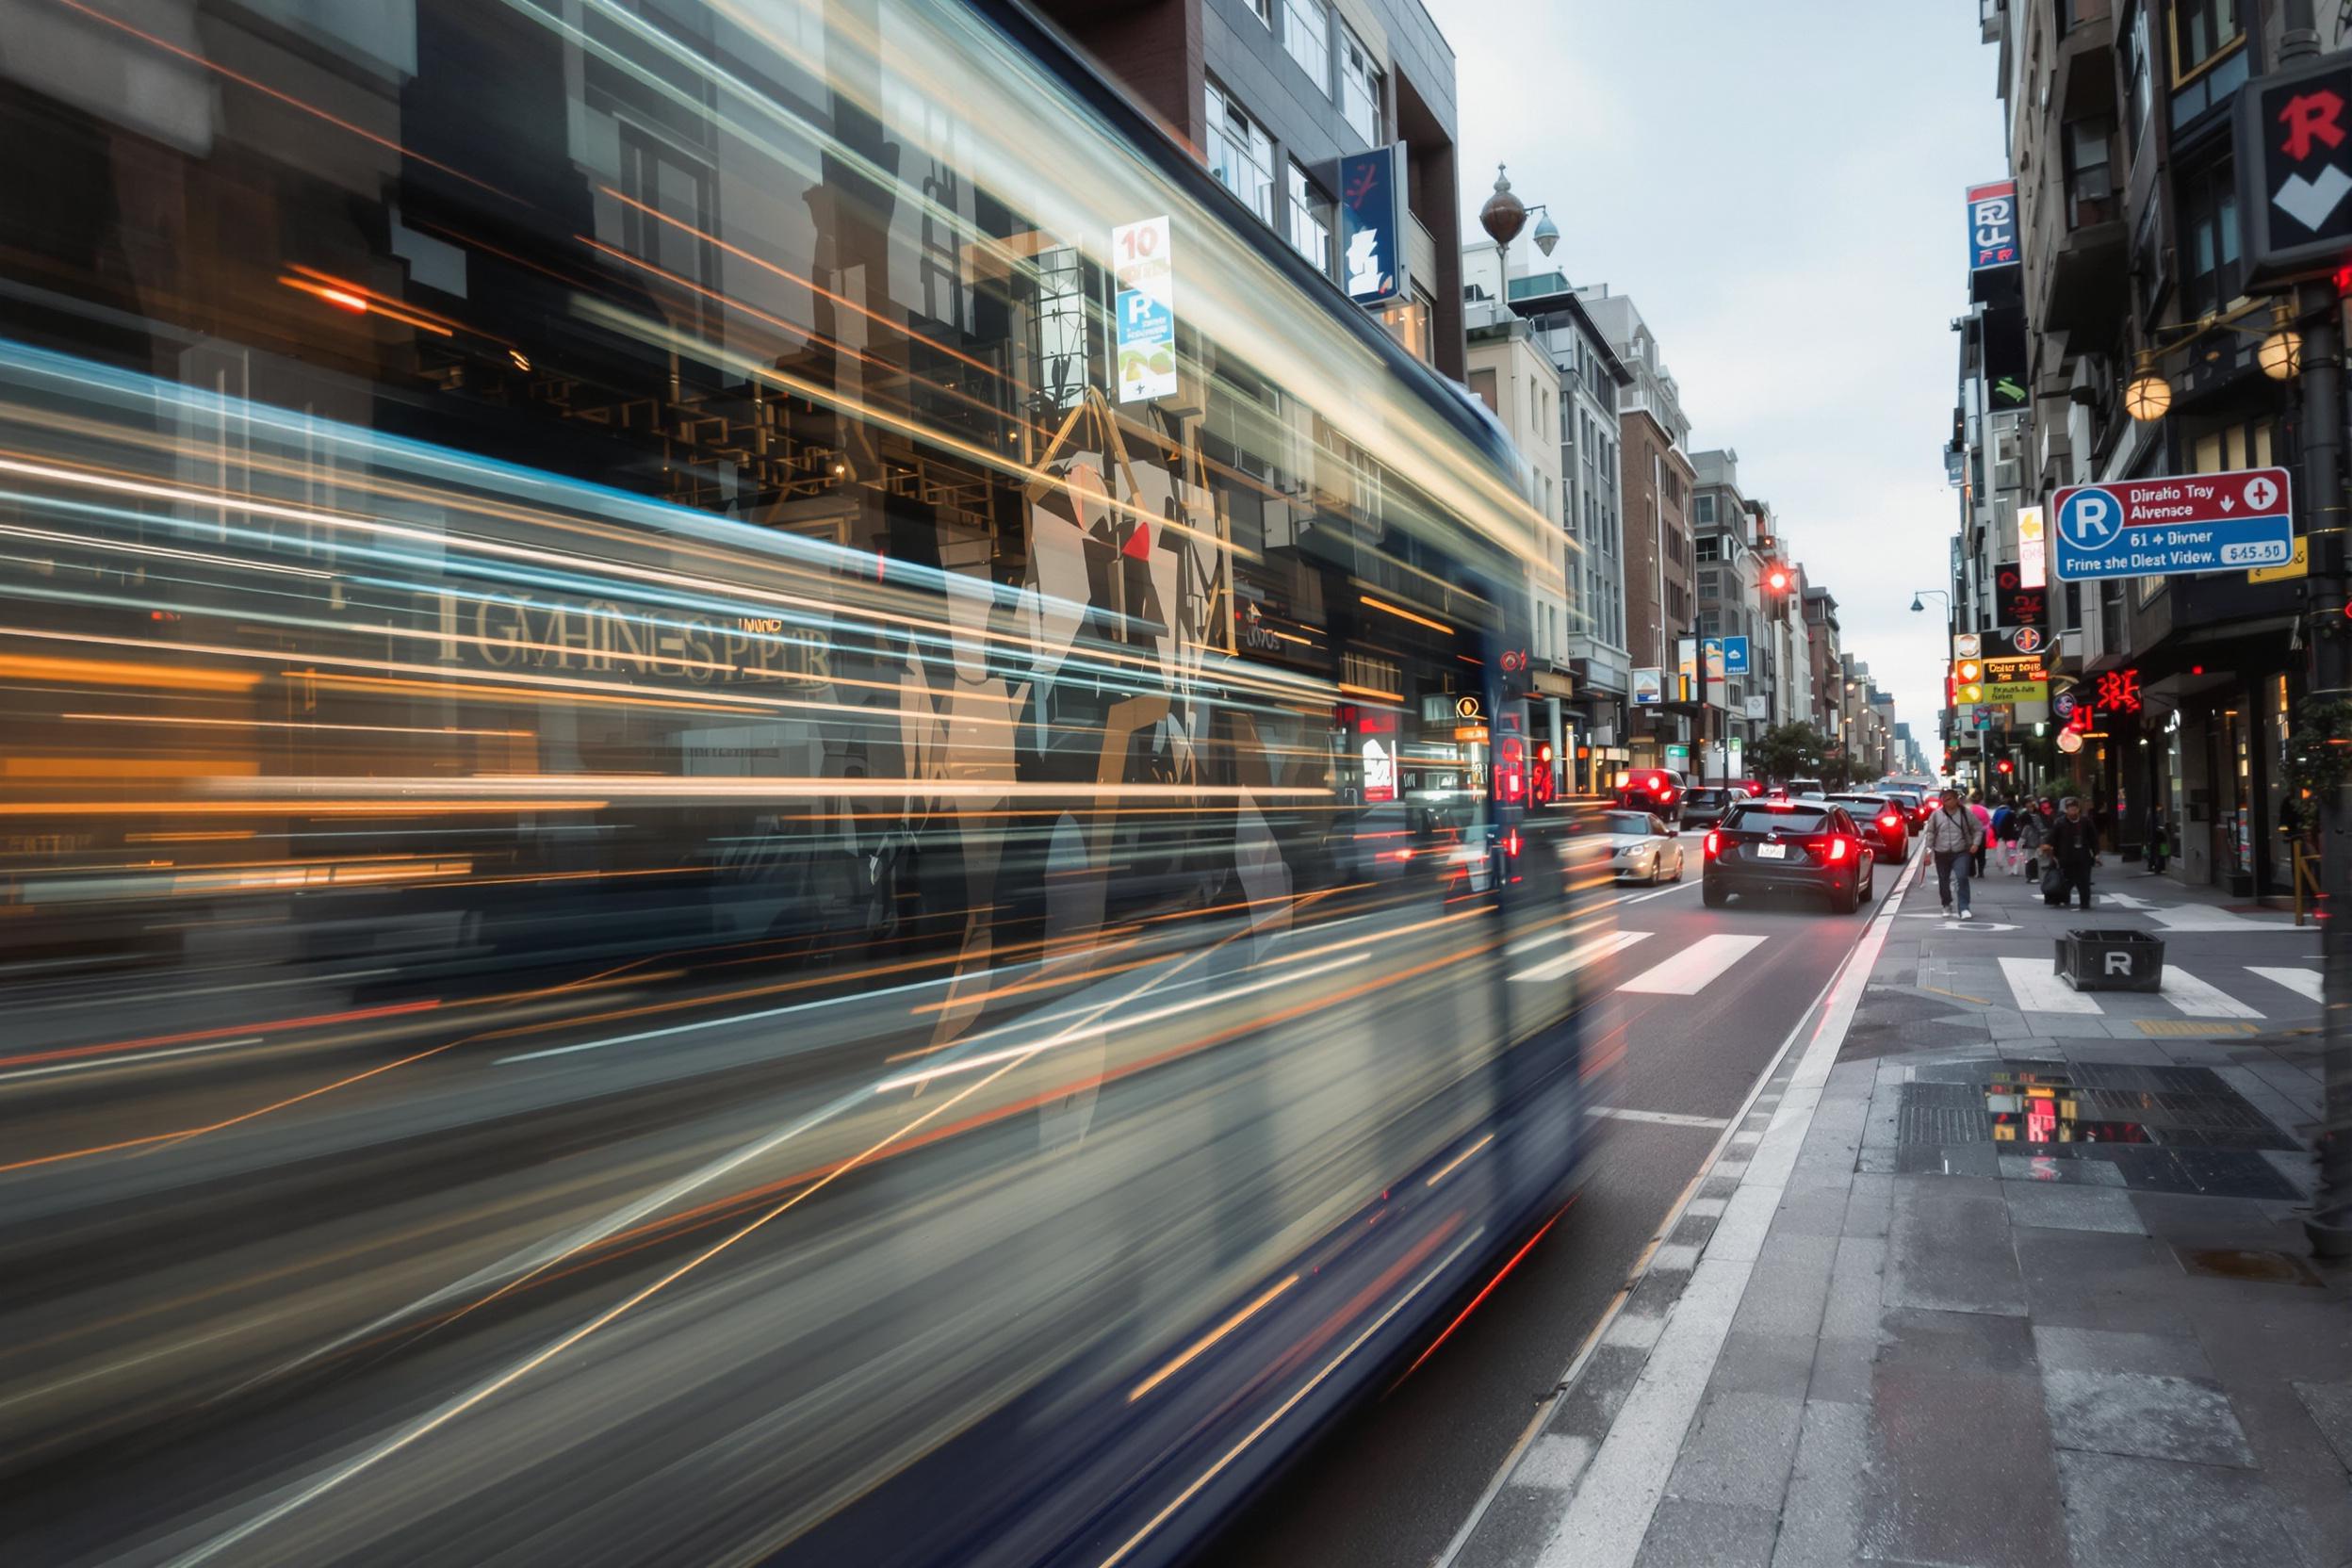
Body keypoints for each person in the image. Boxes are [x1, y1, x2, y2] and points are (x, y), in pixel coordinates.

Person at [1924, 786, 1984, 920]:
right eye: (1944, 800)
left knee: (1962, 877)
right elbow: (1930, 833)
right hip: (1941, 852)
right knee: (1943, 880)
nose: (1946, 802)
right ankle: (1946, 904)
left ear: (1957, 800)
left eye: (1949, 799)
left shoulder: (1965, 813)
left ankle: (1964, 907)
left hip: (1961, 851)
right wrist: (1928, 852)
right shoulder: (1936, 815)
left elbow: (1978, 829)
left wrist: (1975, 844)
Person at [2049, 795, 2099, 910]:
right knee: (2067, 881)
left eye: (2074, 808)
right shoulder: (2060, 823)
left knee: (2084, 882)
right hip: (2066, 857)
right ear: (2066, 810)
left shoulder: (2085, 821)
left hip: (2083, 857)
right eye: (2070, 808)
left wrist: (2096, 853)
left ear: (2078, 809)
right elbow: (2053, 839)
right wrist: (2054, 856)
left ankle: (2085, 903)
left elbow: (2093, 838)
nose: (2072, 811)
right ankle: (2063, 899)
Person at [2016, 796, 2049, 875]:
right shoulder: (2024, 815)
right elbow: (2022, 827)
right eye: (2028, 806)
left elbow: (2043, 825)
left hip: (2038, 838)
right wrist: (2022, 840)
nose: (2029, 808)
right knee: (2030, 857)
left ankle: (2034, 873)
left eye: (2031, 806)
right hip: (2029, 838)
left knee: (2036, 857)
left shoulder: (2039, 814)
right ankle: (2031, 874)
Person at [1968, 792, 1994, 877]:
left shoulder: (1969, 810)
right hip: (1982, 833)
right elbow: (1989, 822)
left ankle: (1972, 871)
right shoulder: (1984, 810)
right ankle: (1981, 872)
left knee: (1971, 854)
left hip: (1971, 834)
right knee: (1981, 854)